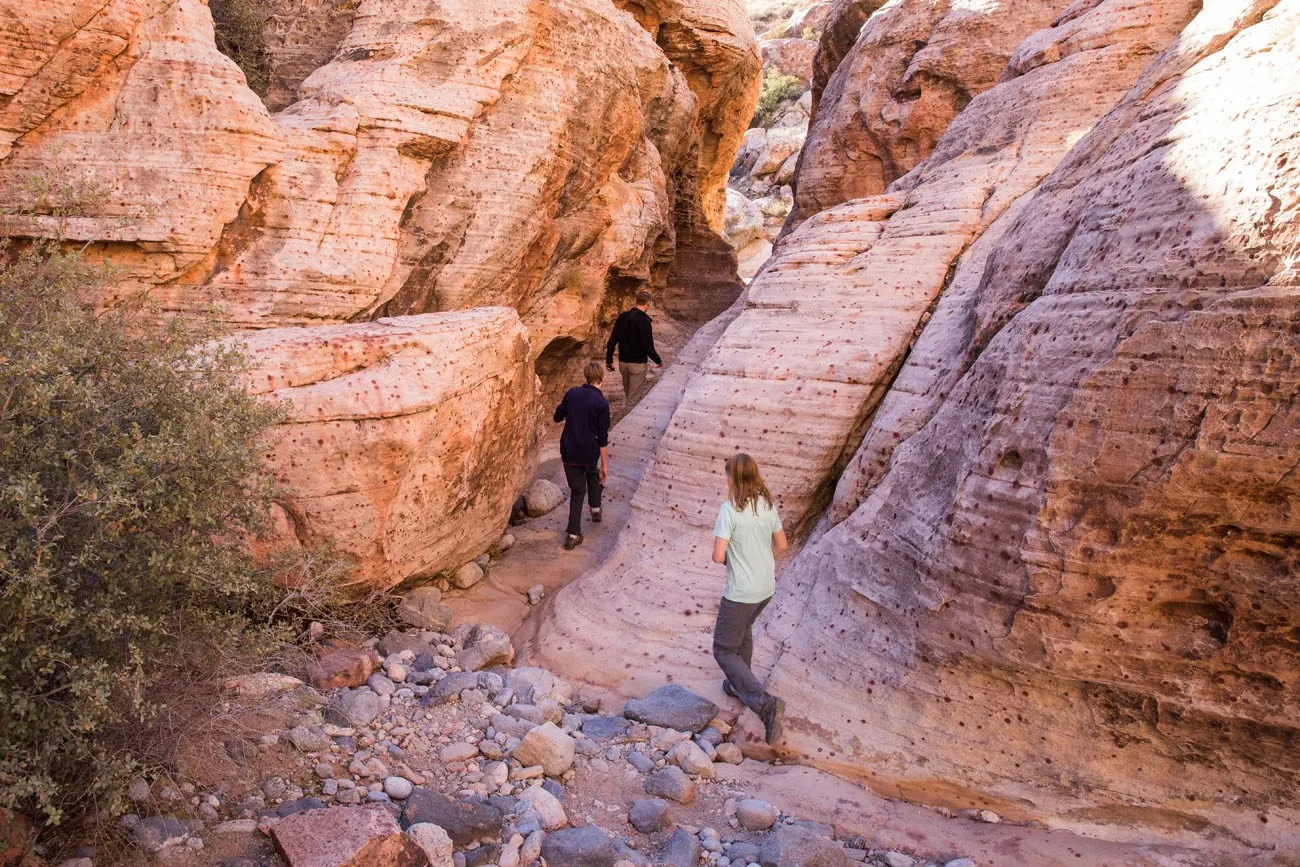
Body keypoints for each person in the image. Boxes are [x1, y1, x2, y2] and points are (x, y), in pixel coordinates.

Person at [710, 453, 788, 745]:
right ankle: (739, 685)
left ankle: (763, 703)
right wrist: (759, 561)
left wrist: (732, 559)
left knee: (722, 648)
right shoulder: (767, 505)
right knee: (742, 632)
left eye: (728, 475)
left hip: (740, 592)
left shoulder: (729, 510)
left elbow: (718, 555)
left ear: (735, 478)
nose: (727, 480)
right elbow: (782, 544)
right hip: (765, 588)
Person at [554, 361, 611, 550]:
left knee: (577, 491)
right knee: (592, 472)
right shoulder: (601, 403)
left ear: (586, 377)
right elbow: (602, 438)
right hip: (589, 450)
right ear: (601, 378)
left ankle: (573, 534)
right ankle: (595, 508)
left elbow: (557, 416)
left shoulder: (572, 394)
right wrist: (605, 464)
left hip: (569, 449)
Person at [605, 289, 662, 403]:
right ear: (648, 303)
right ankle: (628, 420)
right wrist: (658, 361)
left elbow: (612, 341)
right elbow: (648, 347)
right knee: (633, 400)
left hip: (623, 364)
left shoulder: (622, 317)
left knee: (629, 396)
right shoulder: (645, 322)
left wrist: (609, 360)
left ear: (637, 301)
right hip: (638, 365)